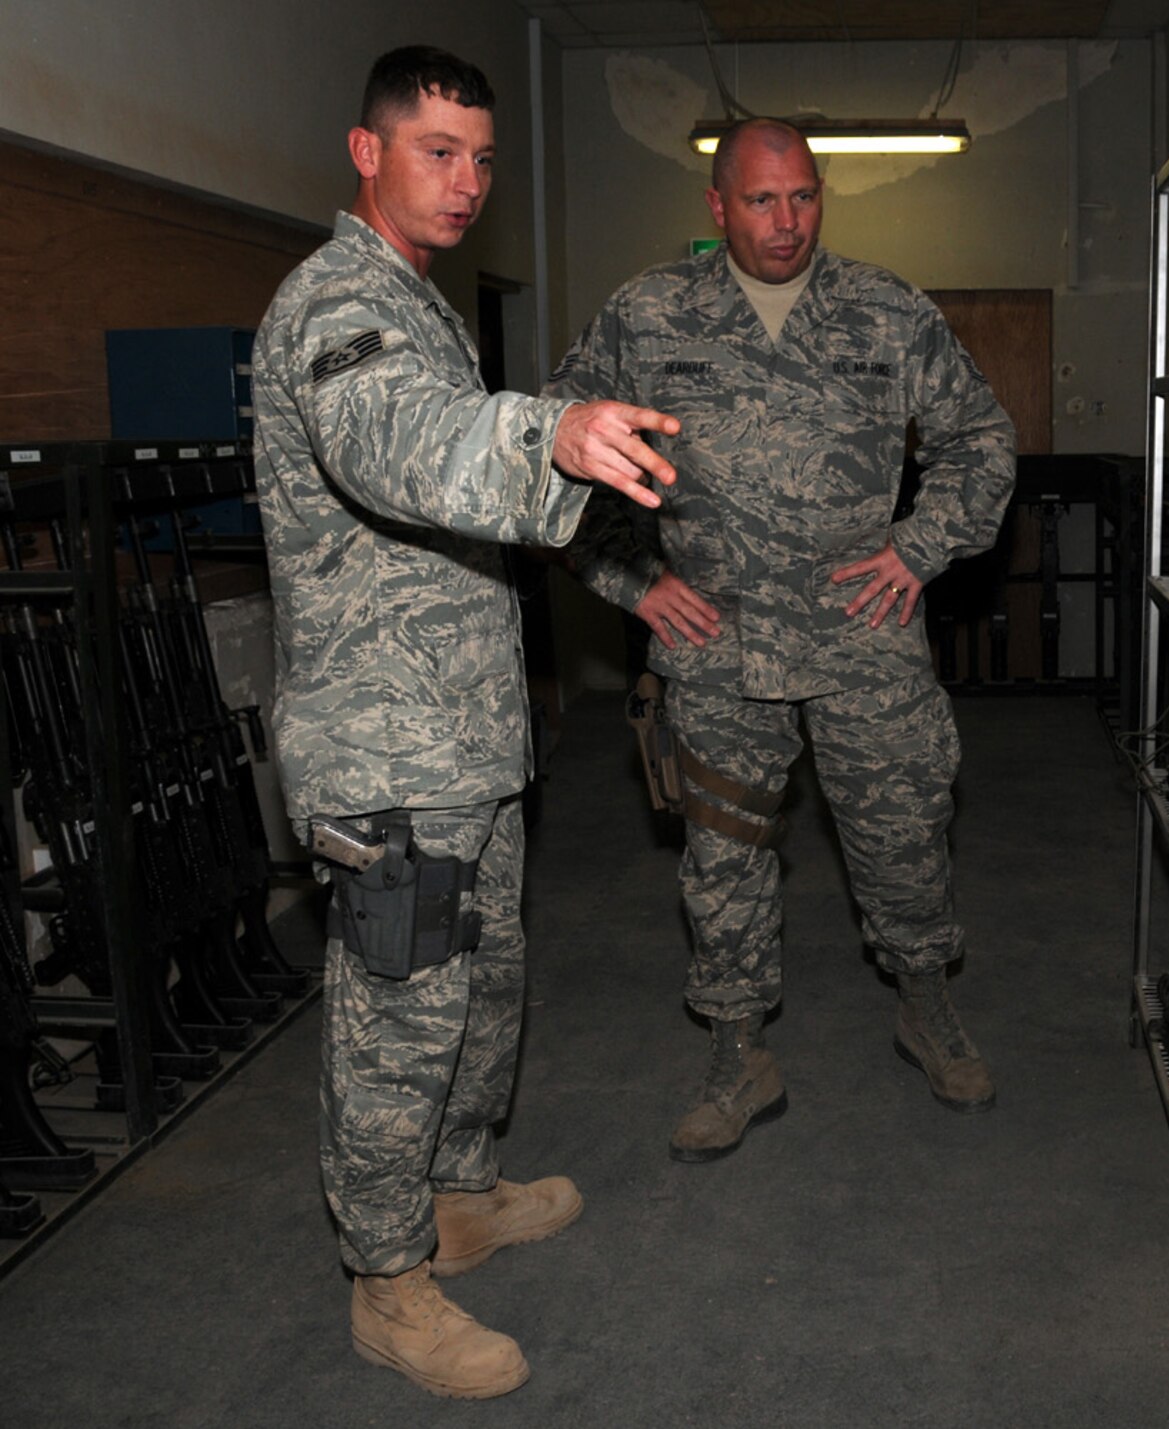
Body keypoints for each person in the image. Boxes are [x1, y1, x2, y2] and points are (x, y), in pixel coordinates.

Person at [252, 46, 679, 1399]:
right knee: (397, 1021)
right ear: (366, 151)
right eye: (437, 151)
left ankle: (456, 1198)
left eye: (482, 158)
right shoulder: (338, 303)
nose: (465, 181)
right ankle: (386, 1281)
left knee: (481, 989)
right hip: (386, 755)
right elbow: (391, 438)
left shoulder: (421, 303)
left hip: (465, 741)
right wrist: (542, 436)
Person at [548, 118, 1015, 1163]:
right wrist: (633, 582)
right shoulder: (647, 315)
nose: (786, 221)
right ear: (717, 208)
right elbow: (553, 451)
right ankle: (736, 1051)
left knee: (905, 833)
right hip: (718, 647)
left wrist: (917, 548)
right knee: (722, 861)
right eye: (761, 200)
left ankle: (926, 1003)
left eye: (803, 196)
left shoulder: (887, 309)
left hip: (865, 639)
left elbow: (981, 440)